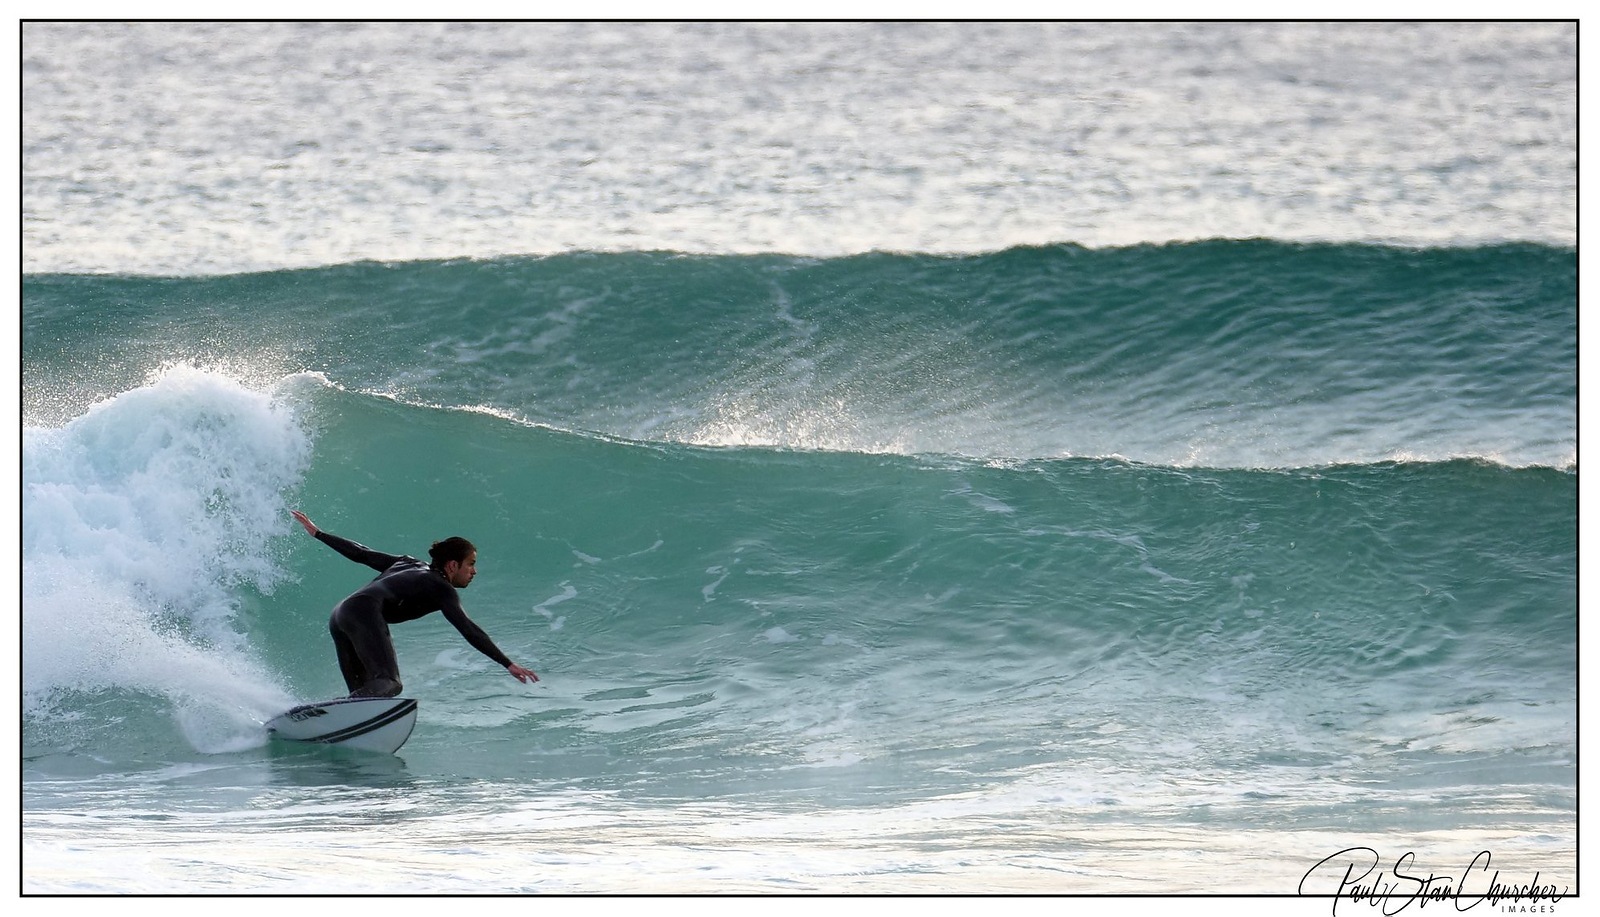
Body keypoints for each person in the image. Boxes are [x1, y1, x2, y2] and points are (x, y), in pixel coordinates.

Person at [291, 510, 538, 697]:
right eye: (470, 564)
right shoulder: (441, 587)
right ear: (453, 565)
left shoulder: (408, 563)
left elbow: (362, 554)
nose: (474, 571)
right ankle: (328, 714)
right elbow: (468, 628)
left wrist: (318, 533)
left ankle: (326, 723)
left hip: (341, 614)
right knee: (390, 683)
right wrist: (508, 663)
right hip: (364, 611)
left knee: (367, 696)